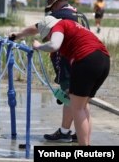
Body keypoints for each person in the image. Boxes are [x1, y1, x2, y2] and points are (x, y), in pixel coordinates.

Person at [9, 0, 90, 143]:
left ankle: (77, 139)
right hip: (87, 60)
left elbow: (37, 28)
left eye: (52, 7)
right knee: (78, 101)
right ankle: (68, 132)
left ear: (57, 4)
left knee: (75, 101)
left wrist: (18, 35)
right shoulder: (80, 15)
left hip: (70, 61)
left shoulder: (59, 15)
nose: (51, 10)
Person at [32, 15, 110, 145]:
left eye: (47, 36)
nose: (48, 38)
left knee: (77, 108)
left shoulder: (59, 26)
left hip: (87, 59)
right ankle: (86, 144)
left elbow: (54, 45)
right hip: (104, 60)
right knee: (83, 107)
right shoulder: (73, 27)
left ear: (49, 30)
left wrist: (39, 46)